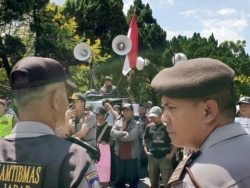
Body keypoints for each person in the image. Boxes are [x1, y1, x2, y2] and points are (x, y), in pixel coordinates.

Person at [1, 57, 100, 187]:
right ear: (56, 99)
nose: (69, 103)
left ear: (16, 101)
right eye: (66, 95)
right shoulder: (75, 161)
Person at [151, 57, 250, 187]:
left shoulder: (198, 180)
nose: (164, 118)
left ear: (207, 111)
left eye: (171, 107)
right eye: (164, 108)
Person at [143, 106, 177, 188]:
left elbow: (176, 141)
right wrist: (146, 151)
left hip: (165, 158)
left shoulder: (168, 126)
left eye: (155, 116)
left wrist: (171, 154)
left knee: (167, 183)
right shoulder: (149, 127)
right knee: (153, 182)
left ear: (161, 115)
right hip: (152, 157)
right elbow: (144, 140)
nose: (152, 118)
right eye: (151, 117)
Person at [110, 103, 141, 188]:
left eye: (127, 110)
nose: (125, 112)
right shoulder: (118, 122)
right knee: (119, 180)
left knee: (133, 181)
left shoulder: (136, 123)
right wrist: (122, 133)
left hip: (131, 157)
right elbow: (112, 133)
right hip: (119, 155)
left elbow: (131, 136)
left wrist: (118, 137)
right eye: (124, 110)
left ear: (132, 112)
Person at [94, 107, 113, 188]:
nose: (97, 116)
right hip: (95, 149)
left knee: (105, 173)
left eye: (99, 114)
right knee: (95, 173)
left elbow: (112, 141)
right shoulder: (94, 125)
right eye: (96, 114)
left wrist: (106, 143)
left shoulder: (109, 126)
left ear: (104, 115)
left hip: (105, 150)